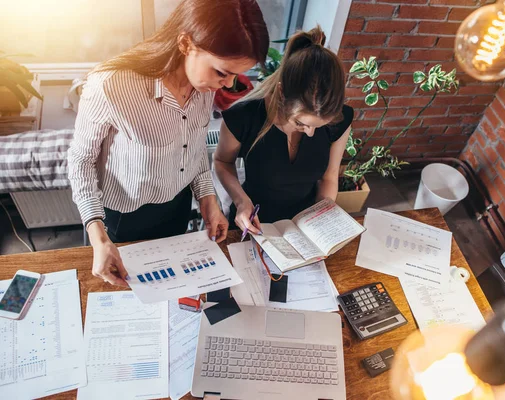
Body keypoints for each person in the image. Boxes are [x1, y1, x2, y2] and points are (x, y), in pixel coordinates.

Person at [68, 0, 269, 286]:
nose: (227, 85)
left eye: (235, 75)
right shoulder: (111, 85)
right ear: (187, 43)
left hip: (177, 206)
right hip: (123, 215)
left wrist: (207, 200)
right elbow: (81, 161)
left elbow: (194, 148)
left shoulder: (203, 86)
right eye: (222, 72)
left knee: (169, 292)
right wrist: (98, 238)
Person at [214, 26, 353, 235]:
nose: (310, 133)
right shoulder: (244, 117)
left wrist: (322, 216)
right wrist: (241, 200)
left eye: (318, 126)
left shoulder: (339, 120)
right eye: (300, 123)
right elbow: (222, 162)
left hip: (304, 224)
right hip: (253, 220)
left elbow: (329, 177)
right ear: (281, 92)